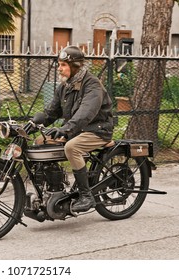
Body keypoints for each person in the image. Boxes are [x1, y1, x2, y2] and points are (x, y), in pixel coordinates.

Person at [36, 45, 114, 212]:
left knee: (72, 147)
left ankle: (86, 196)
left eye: (63, 65)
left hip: (97, 130)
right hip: (76, 130)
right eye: (59, 64)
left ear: (75, 66)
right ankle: (50, 187)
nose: (59, 69)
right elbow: (51, 112)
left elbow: (86, 112)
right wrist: (31, 125)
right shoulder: (65, 87)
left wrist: (65, 129)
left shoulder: (92, 84)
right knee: (39, 141)